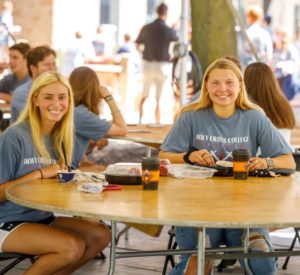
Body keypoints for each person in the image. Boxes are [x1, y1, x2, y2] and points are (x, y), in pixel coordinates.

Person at [159, 58, 295, 275]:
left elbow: (288, 161)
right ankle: (204, 257)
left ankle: (218, 254)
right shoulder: (189, 117)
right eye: (215, 83)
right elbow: (163, 157)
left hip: (245, 209)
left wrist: (265, 161)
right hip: (196, 207)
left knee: (263, 265)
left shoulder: (254, 117)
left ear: (240, 85)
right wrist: (189, 156)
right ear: (206, 86)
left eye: (229, 83)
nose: (222, 89)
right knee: (193, 268)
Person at [0, 71, 111, 274]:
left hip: (40, 217)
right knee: (71, 246)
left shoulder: (61, 137)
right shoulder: (14, 136)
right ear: (35, 101)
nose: (56, 104)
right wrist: (40, 173)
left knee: (100, 234)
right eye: (48, 97)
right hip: (6, 220)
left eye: (62, 97)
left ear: (69, 100)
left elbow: (58, 182)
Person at [68, 66, 127, 168]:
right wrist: (108, 97)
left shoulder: (73, 108)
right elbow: (122, 129)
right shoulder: (81, 114)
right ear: (94, 88)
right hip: (68, 170)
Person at [135, 3, 178, 124]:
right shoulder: (169, 30)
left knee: (145, 93)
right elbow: (177, 45)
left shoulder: (147, 27)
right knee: (159, 97)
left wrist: (143, 54)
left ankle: (140, 119)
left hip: (147, 64)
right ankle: (157, 121)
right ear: (166, 13)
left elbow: (137, 45)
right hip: (162, 65)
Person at [244, 62, 295, 145]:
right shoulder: (284, 103)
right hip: (286, 155)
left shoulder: (248, 106)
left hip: (260, 156)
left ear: (246, 81)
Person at [10, 45, 57, 122]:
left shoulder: (58, 90)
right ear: (33, 68)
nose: (53, 68)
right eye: (47, 65)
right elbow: (42, 120)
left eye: (54, 64)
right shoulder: (22, 94)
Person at [272, 26, 300, 101]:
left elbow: (295, 63)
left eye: (279, 34)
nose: (277, 36)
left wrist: (280, 65)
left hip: (285, 81)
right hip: (273, 79)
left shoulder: (289, 48)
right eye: (276, 34)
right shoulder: (272, 47)